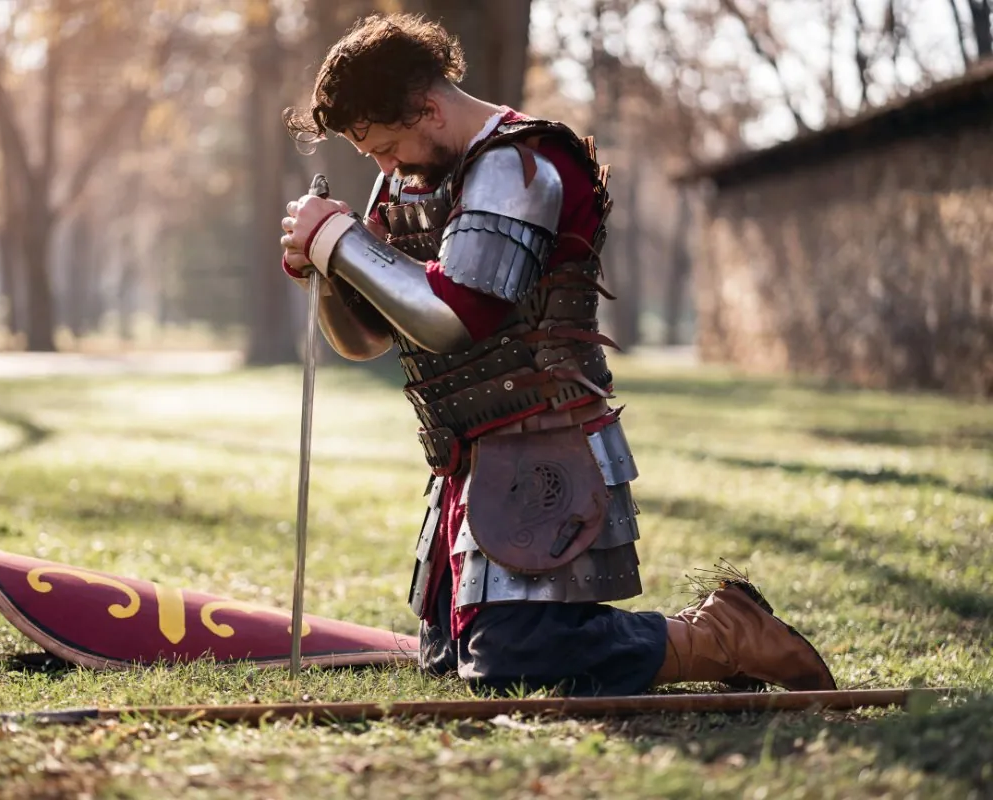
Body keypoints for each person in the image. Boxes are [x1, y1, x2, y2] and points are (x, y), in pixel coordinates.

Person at [278, 12, 836, 696]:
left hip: (542, 443)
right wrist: (324, 270)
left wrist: (339, 242)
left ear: (428, 107)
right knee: (452, 660)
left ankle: (725, 634)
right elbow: (369, 338)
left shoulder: (517, 165)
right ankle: (680, 635)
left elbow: (456, 316)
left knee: (516, 661)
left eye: (388, 147)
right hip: (467, 459)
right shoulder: (408, 180)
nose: (386, 167)